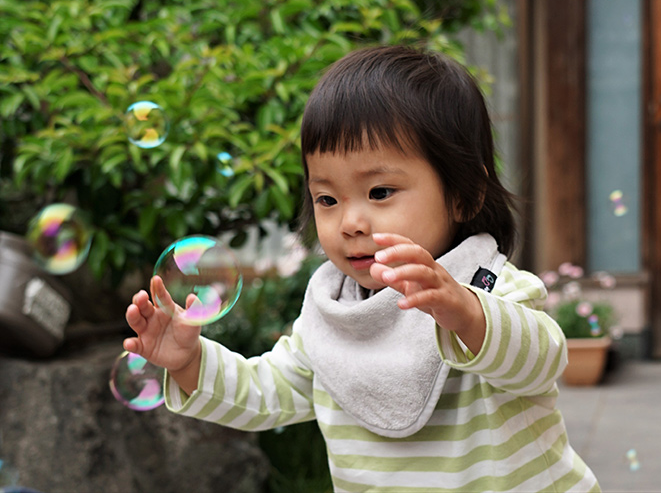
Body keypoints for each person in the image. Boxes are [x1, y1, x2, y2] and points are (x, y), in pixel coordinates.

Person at [124, 45, 600, 492]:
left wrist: (468, 315)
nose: (350, 222)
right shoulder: (333, 315)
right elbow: (265, 394)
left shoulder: (488, 285)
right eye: (327, 199)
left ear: (463, 195)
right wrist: (190, 363)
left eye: (379, 193)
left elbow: (542, 361)